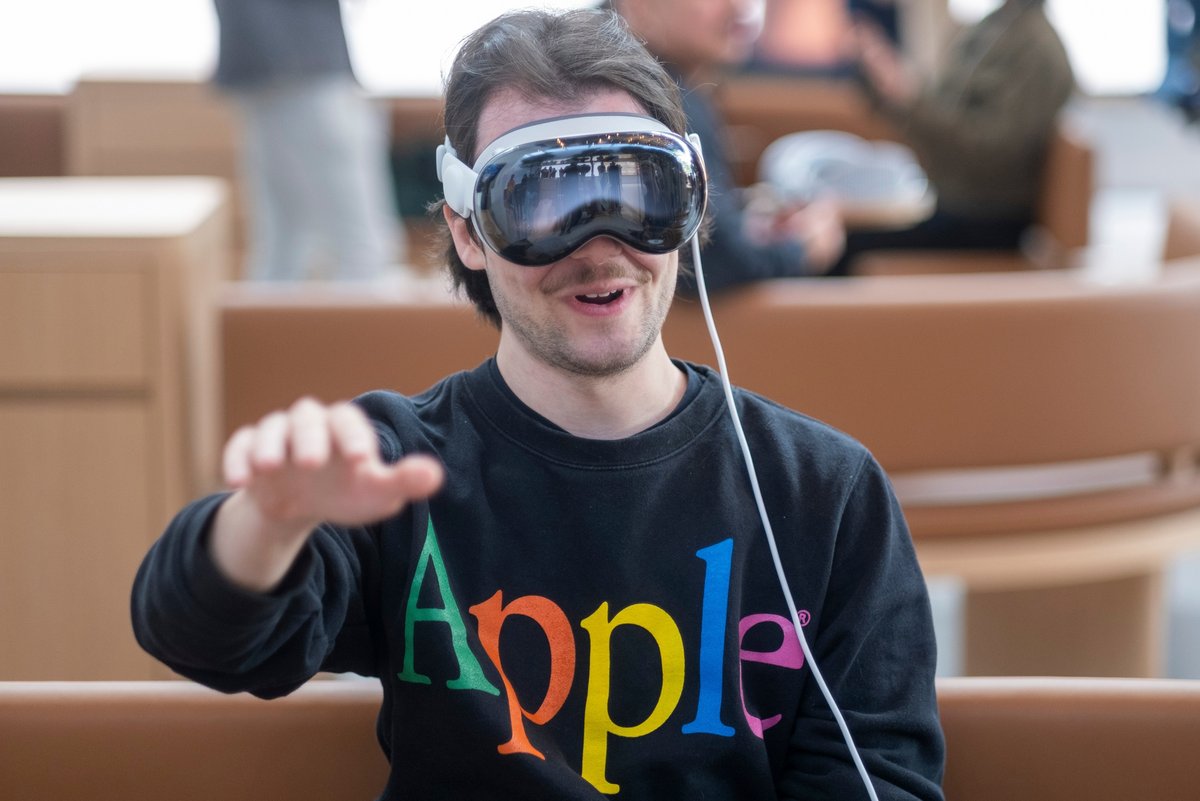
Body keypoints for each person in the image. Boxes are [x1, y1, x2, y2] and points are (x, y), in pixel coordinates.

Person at [132, 9, 944, 800]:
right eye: (542, 200)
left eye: (637, 189)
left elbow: (878, 776)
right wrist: (270, 521)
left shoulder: (822, 493)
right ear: (468, 232)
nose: (598, 246)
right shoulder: (392, 469)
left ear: (691, 206)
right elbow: (199, 633)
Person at [607, 0, 847, 293]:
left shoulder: (661, 85)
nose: (739, 8)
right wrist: (805, 247)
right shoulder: (660, 100)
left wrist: (748, 222)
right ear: (640, 6)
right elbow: (714, 261)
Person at [835, 0, 1075, 273]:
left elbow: (991, 154)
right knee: (823, 228)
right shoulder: (993, 28)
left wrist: (910, 100)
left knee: (839, 250)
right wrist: (890, 86)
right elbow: (944, 113)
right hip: (947, 201)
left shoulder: (1035, 47)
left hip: (984, 221)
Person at [212, 0, 404, 281]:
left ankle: (271, 320)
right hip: (302, 65)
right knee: (357, 247)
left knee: (285, 244)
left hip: (271, 65)